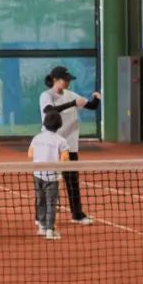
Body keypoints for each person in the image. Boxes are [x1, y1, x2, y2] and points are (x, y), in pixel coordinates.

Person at [39, 66, 100, 226]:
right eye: (65, 80)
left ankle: (77, 215)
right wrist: (72, 103)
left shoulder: (71, 94)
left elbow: (91, 106)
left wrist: (97, 98)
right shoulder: (46, 95)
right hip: (51, 146)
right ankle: (41, 217)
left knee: (73, 182)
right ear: (55, 79)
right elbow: (49, 111)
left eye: (68, 80)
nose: (67, 82)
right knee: (45, 182)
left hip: (70, 146)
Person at [29, 110, 70, 241]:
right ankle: (50, 230)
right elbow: (65, 158)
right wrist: (60, 169)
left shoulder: (37, 138)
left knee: (40, 200)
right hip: (52, 176)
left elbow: (30, 154)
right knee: (51, 203)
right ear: (59, 125)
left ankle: (41, 226)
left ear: (45, 123)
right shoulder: (61, 140)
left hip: (37, 174)